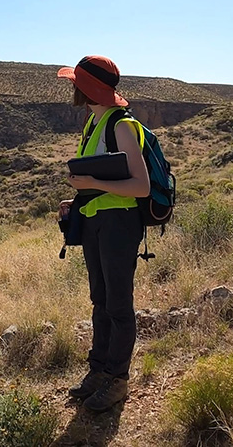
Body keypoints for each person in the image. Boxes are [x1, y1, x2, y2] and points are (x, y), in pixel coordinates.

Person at [59, 55, 150, 412]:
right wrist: (79, 195)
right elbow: (104, 178)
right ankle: (98, 371)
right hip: (97, 220)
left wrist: (92, 183)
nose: (73, 89)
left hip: (119, 224)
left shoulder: (121, 125)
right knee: (100, 300)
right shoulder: (94, 121)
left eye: (76, 83)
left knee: (118, 305)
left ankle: (117, 380)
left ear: (88, 88)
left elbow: (140, 186)